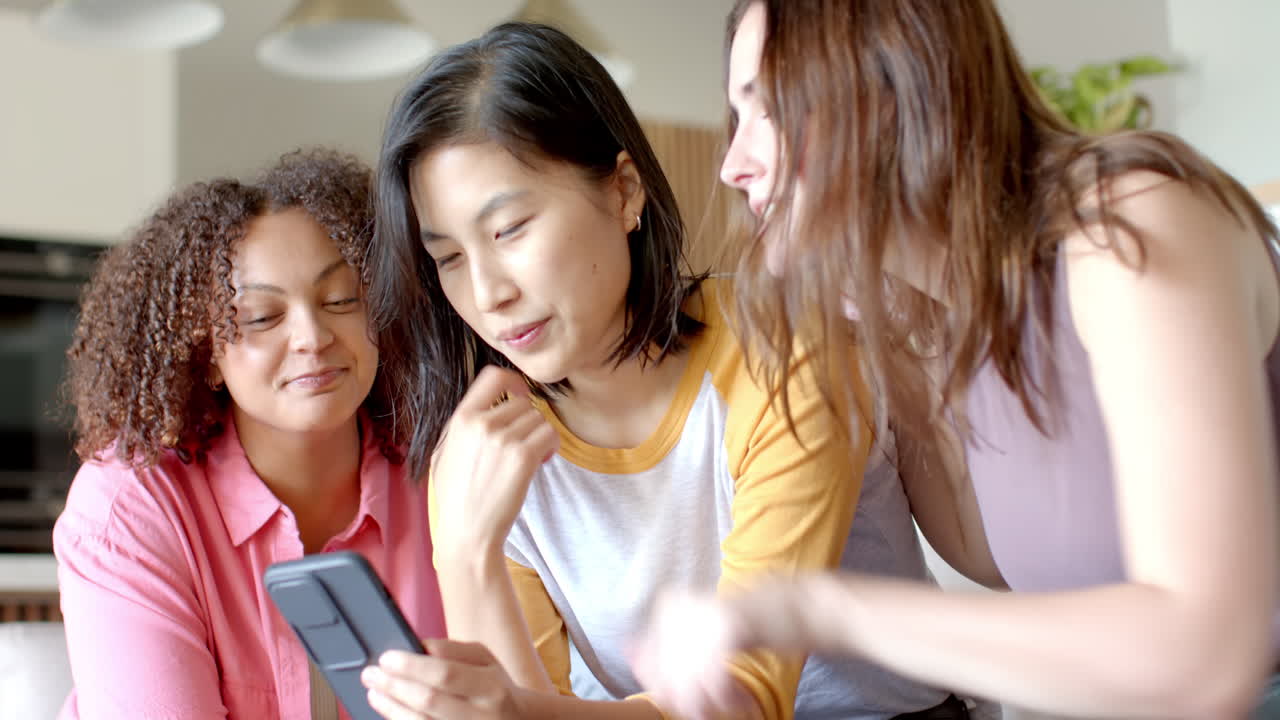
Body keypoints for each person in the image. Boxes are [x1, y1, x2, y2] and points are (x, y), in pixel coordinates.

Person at [630, 2, 1280, 719]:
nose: (732, 165)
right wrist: (897, 343)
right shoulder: (933, 310)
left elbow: (1206, 652)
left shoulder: (1128, 224)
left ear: (892, 92)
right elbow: (991, 562)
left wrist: (818, 607)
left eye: (768, 112)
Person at [357, 21, 974, 720]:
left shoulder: (782, 350)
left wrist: (511, 704)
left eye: (508, 231)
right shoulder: (484, 451)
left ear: (623, 192)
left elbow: (742, 702)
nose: (489, 292)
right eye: (450, 259)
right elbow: (520, 706)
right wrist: (468, 554)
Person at [55, 149, 447, 719]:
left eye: (341, 300)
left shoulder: (440, 472)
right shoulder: (129, 507)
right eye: (262, 317)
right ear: (206, 354)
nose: (312, 336)